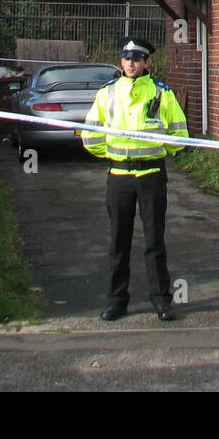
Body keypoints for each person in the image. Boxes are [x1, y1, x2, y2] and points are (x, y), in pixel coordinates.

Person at [79, 38, 188, 321]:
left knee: (154, 241)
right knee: (119, 241)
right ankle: (117, 301)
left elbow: (179, 135)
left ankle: (162, 300)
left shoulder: (162, 93)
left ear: (147, 63)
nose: (131, 63)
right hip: (119, 177)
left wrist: (159, 150)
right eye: (127, 58)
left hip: (152, 176)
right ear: (121, 61)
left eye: (137, 59)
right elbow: (91, 135)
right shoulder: (107, 93)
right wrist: (117, 155)